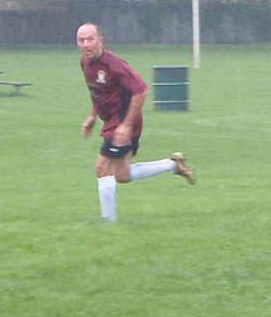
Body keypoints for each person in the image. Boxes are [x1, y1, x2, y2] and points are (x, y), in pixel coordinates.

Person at [76, 22, 194, 221]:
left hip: (123, 121)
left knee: (101, 167)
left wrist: (126, 126)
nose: (86, 44)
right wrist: (92, 116)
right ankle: (173, 164)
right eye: (81, 40)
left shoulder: (114, 64)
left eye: (90, 39)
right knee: (121, 175)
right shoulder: (85, 63)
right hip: (113, 122)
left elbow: (141, 90)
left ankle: (108, 222)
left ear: (100, 41)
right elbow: (97, 91)